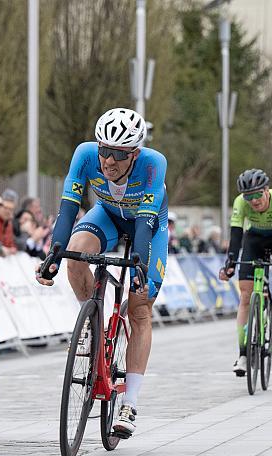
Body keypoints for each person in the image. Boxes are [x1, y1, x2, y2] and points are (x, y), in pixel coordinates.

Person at [36, 108, 168, 438]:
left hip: (148, 226)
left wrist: (138, 265)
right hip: (107, 215)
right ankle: (92, 318)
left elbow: (144, 224)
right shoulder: (84, 154)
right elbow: (68, 208)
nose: (108, 161)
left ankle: (130, 402)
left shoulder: (154, 163)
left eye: (118, 155)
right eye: (104, 150)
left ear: (135, 154)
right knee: (76, 252)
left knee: (139, 308)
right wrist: (55, 251)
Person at [218, 169, 272, 377]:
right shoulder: (240, 203)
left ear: (267, 190)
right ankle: (243, 355)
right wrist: (230, 264)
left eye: (257, 195)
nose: (253, 200)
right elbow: (235, 235)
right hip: (254, 238)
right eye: (248, 196)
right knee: (245, 296)